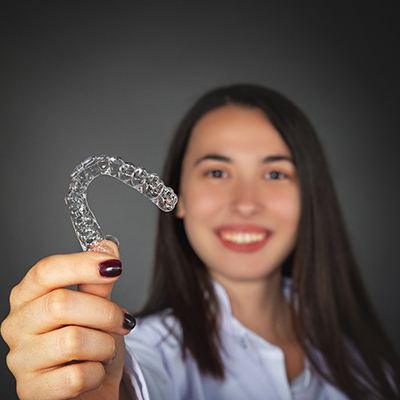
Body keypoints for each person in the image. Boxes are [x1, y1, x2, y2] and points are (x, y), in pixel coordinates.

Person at [1, 84, 399, 400]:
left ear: (310, 196)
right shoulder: (143, 353)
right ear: (178, 198)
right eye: (216, 173)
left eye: (275, 174)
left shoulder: (370, 366)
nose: (245, 203)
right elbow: (133, 384)